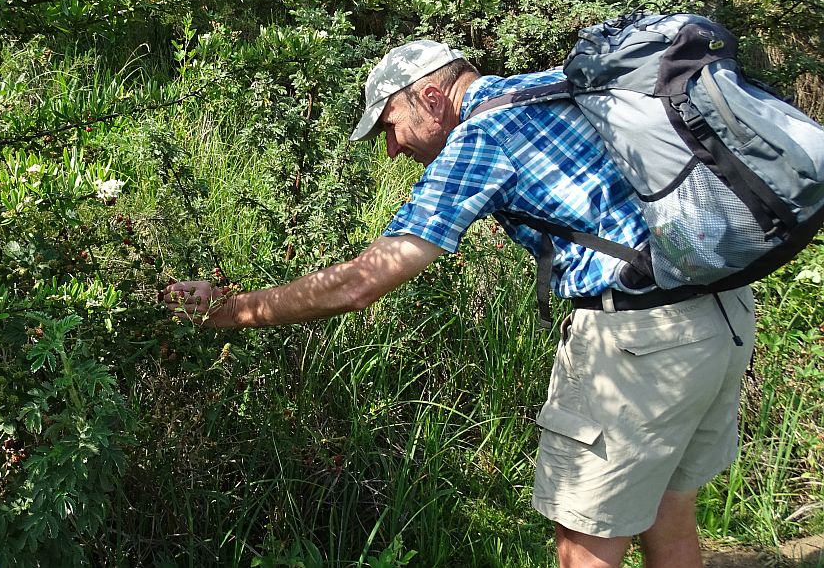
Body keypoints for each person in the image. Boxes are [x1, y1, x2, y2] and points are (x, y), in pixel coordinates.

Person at [161, 40, 756, 568]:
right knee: (668, 520)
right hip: (722, 315)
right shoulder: (553, 87)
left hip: (638, 341)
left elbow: (362, 283)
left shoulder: (482, 134)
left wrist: (227, 310)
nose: (393, 149)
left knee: (586, 542)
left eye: (391, 125)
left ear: (430, 97)